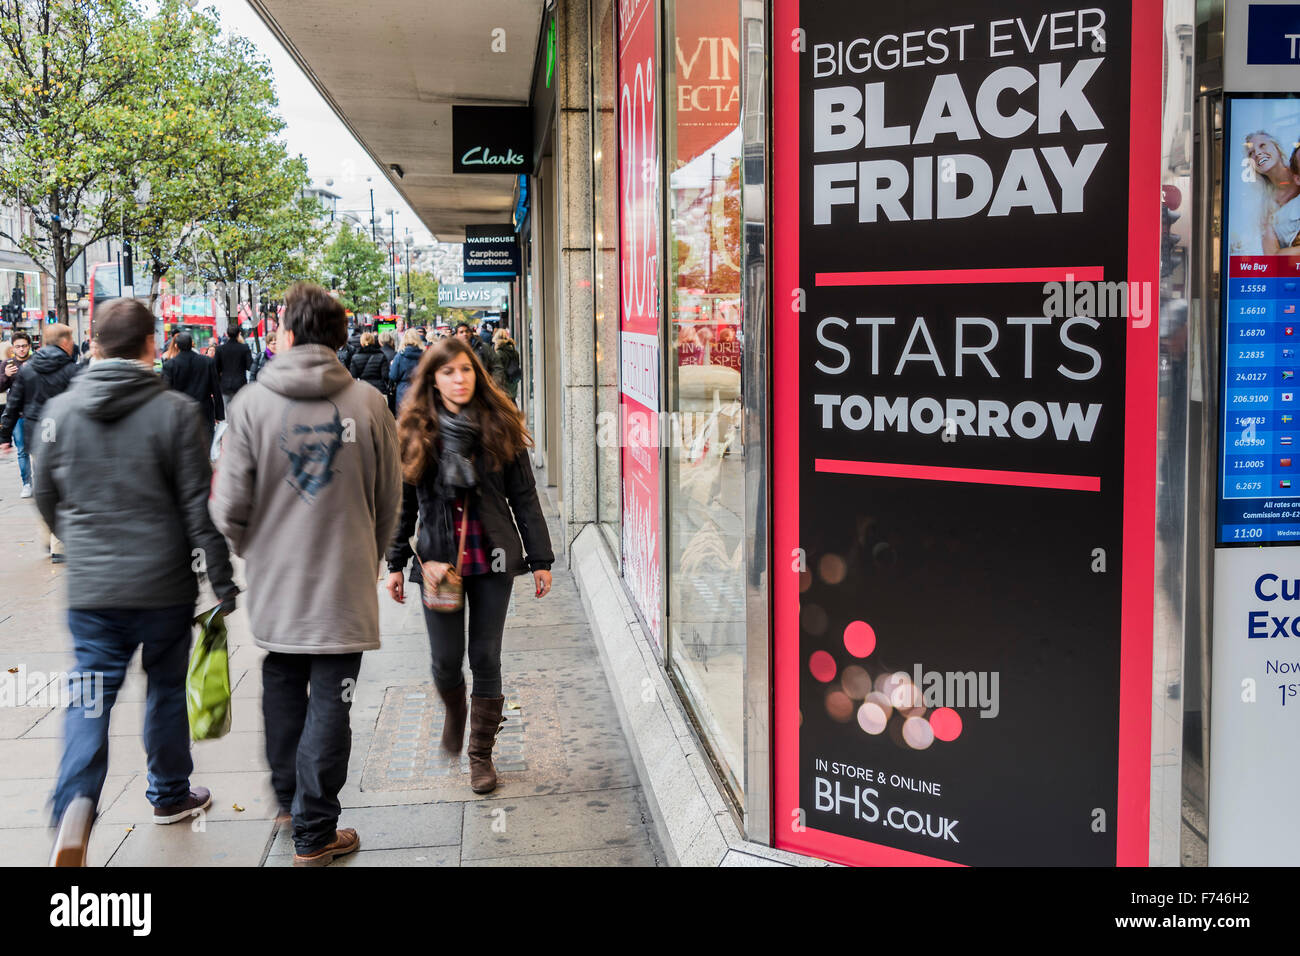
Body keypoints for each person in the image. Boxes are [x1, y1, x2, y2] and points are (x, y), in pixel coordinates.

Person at [35, 299, 238, 865]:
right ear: (153, 346)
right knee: (167, 689)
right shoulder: (175, 412)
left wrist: (81, 543)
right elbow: (200, 509)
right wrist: (221, 581)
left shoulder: (59, 411)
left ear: (93, 345)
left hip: (93, 590)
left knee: (90, 695)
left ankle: (75, 803)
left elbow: (48, 498)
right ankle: (170, 793)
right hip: (164, 586)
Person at [210, 282, 401, 867]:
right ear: (343, 336)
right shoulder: (369, 403)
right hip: (343, 582)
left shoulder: (249, 405)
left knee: (283, 685)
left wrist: (257, 550)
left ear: (288, 334)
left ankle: (291, 806)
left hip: (277, 584)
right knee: (332, 702)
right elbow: (389, 499)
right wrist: (370, 555)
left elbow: (226, 508)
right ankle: (316, 832)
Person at [384, 337, 553, 795]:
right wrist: (396, 562)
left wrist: (540, 558)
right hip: (439, 563)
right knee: (444, 662)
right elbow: (402, 504)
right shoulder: (417, 430)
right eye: (448, 372)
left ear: (476, 373)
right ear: (433, 381)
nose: (459, 379)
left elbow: (524, 495)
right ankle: (455, 710)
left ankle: (481, 754)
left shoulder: (501, 424)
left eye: (465, 370)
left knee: (485, 655)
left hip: (492, 556)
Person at [0, 325, 79, 561]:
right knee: (65, 487)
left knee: (44, 483)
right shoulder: (72, 370)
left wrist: (4, 436)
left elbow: (13, 403)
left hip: (37, 432)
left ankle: (49, 533)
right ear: (64, 342)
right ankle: (59, 543)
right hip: (65, 433)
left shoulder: (28, 369)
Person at [162, 331, 223, 444]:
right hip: (204, 411)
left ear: (176, 346)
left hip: (179, 413)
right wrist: (219, 414)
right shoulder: (207, 362)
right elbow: (216, 388)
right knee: (205, 445)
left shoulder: (170, 366)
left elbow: (165, 393)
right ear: (192, 344)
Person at [0, 331, 34, 496]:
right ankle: (26, 483)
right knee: (22, 450)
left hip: (36, 413)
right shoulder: (8, 364)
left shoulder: (36, 362)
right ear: (13, 347)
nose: (21, 349)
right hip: (17, 414)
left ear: (29, 346)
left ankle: (42, 482)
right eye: (18, 346)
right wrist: (6, 376)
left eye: (24, 346)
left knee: (40, 449)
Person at [215, 322, 253, 408]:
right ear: (239, 334)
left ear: (227, 334)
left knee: (228, 412)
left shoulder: (220, 349)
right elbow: (249, 366)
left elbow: (216, 368)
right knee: (240, 410)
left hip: (225, 385)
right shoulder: (244, 348)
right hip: (240, 385)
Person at [389, 329, 424, 411]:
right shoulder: (424, 356)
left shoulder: (400, 356)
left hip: (403, 392)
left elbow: (393, 376)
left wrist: (391, 366)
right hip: (420, 390)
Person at [492, 327, 522, 405]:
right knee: (512, 403)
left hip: (504, 385)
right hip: (513, 382)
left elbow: (498, 372)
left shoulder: (499, 353)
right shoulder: (514, 351)